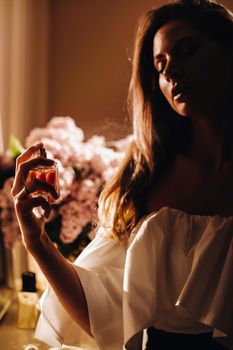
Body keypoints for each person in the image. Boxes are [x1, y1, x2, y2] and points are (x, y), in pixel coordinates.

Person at [11, 0, 233, 349]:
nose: (171, 72)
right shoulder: (146, 178)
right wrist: (36, 240)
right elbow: (104, 318)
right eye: (160, 66)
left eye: (186, 51)